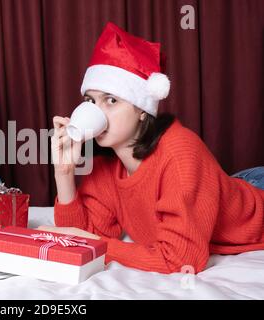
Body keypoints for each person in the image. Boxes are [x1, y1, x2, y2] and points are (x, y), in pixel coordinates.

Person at [39, 22, 264, 274]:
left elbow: (181, 260)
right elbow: (80, 236)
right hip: (223, 187)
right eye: (91, 101)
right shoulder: (106, 166)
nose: (96, 111)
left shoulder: (180, 153)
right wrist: (64, 172)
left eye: (111, 100)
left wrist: (92, 243)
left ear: (142, 112)